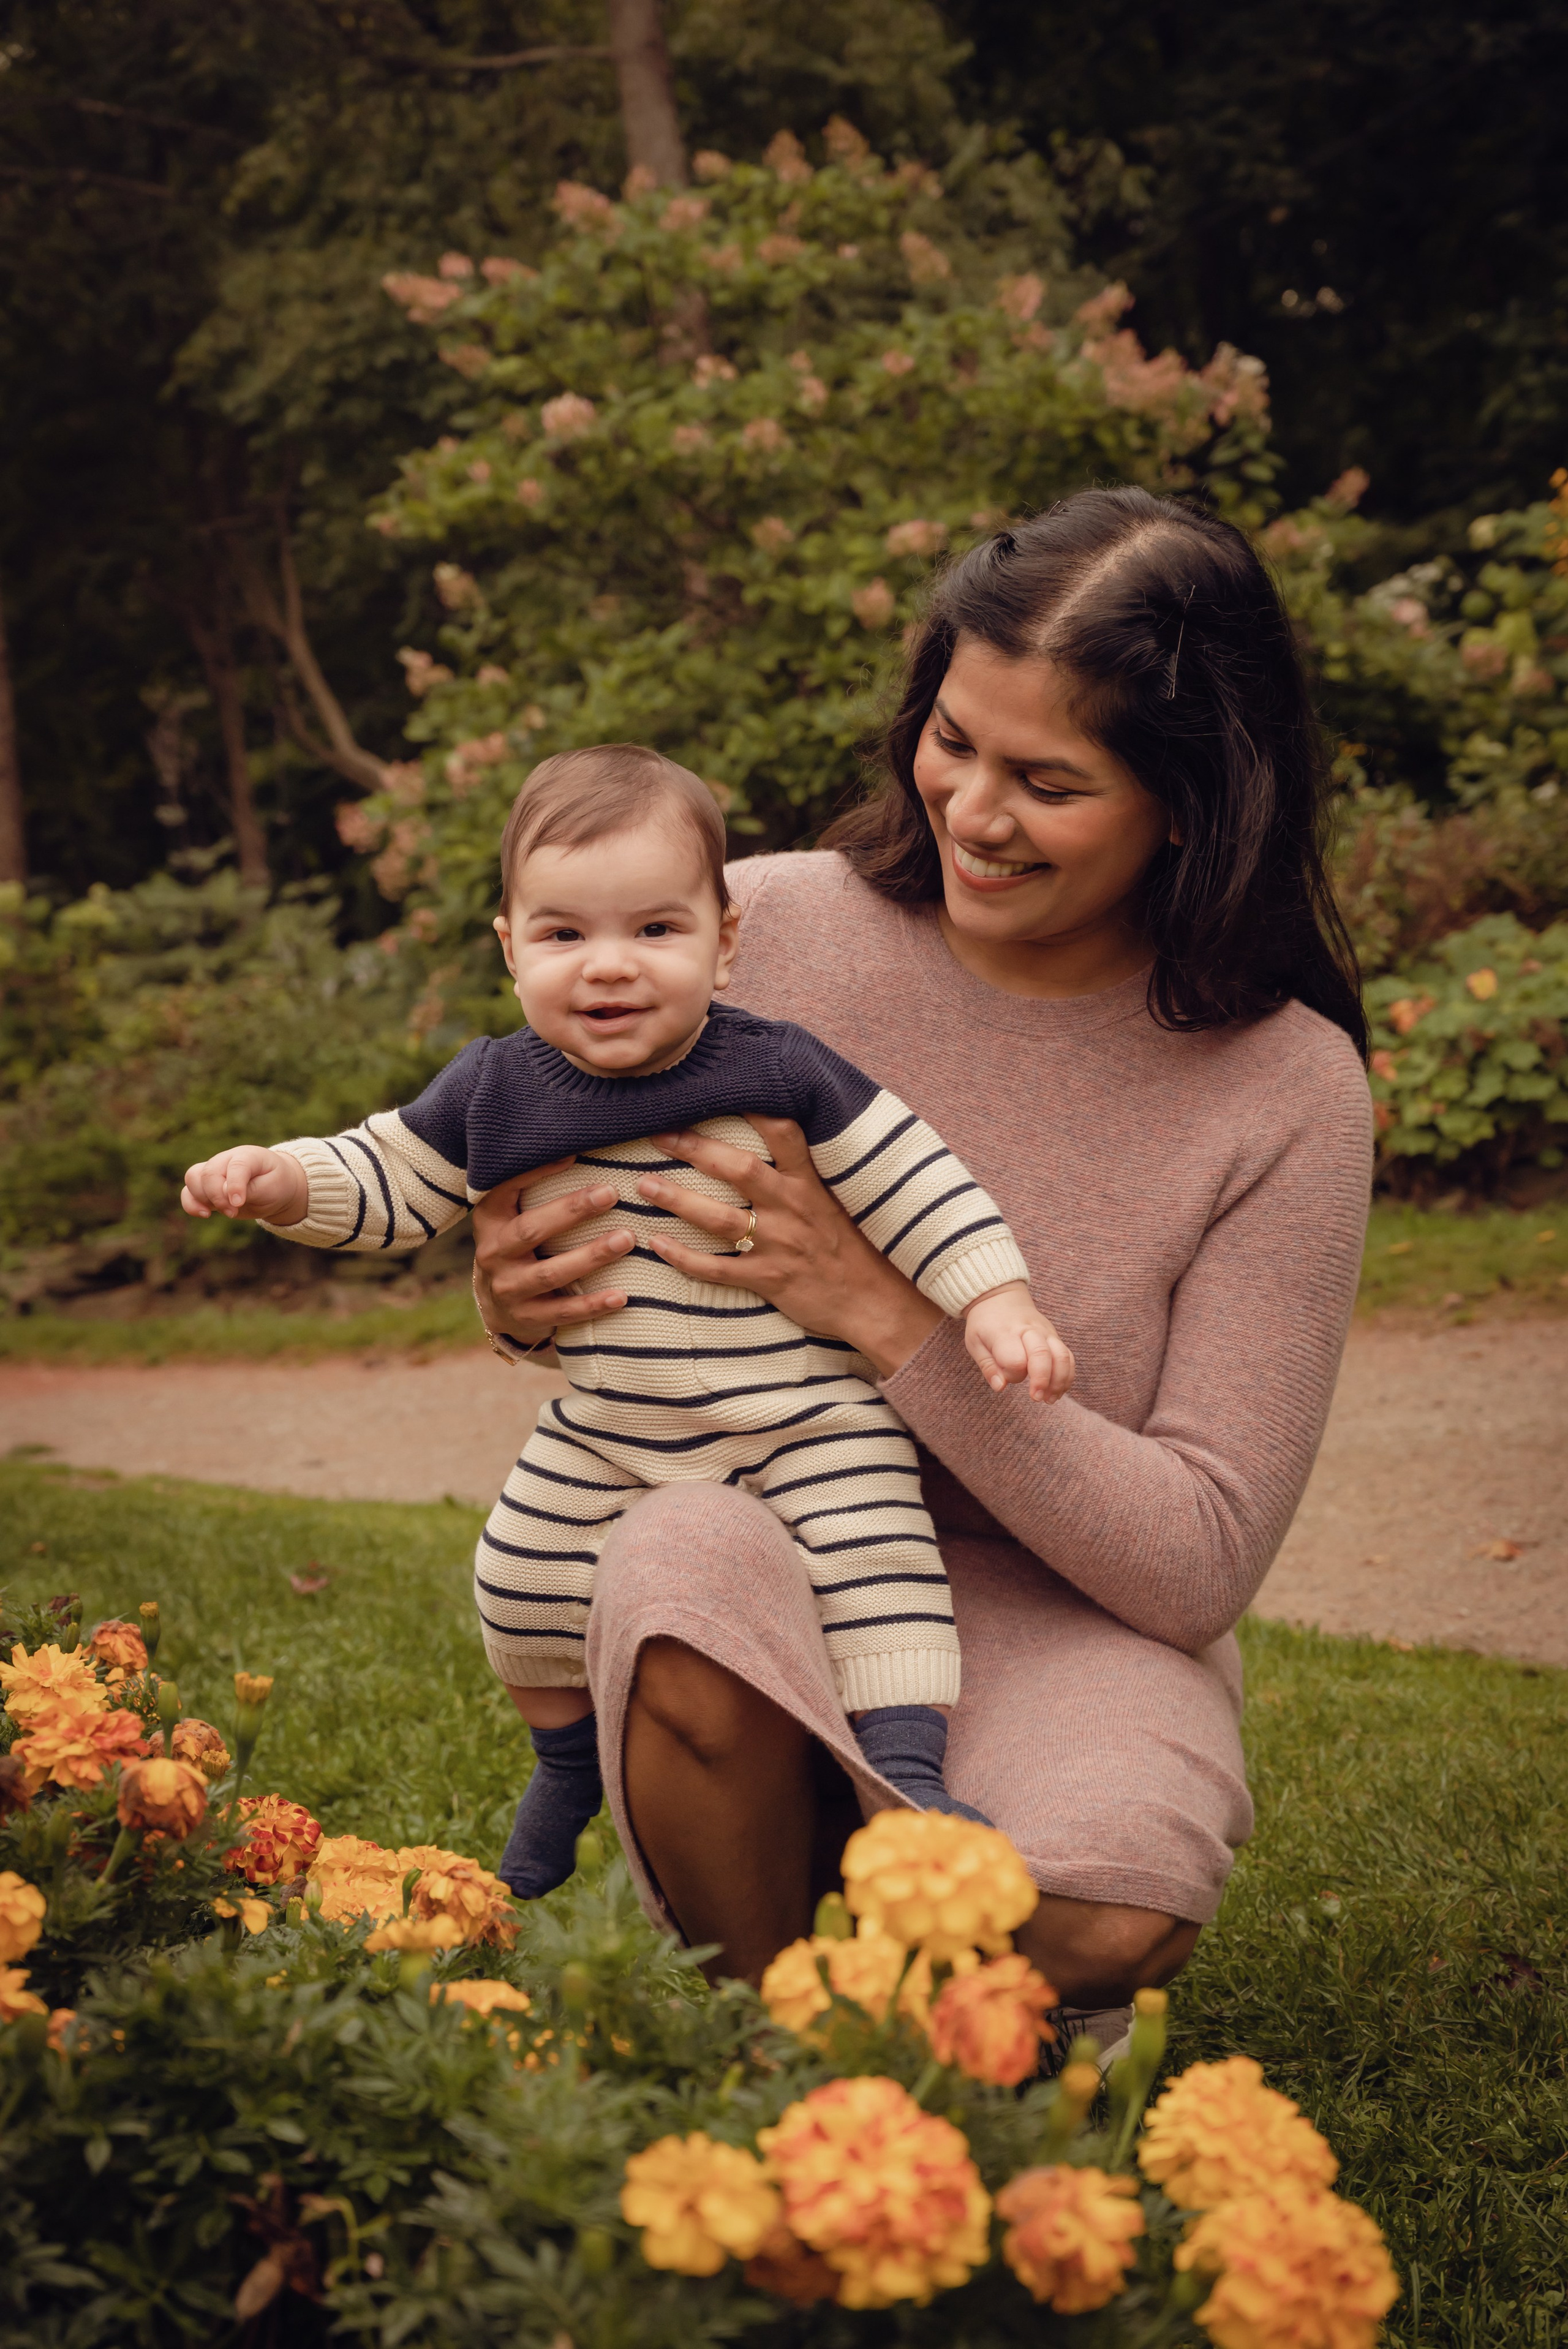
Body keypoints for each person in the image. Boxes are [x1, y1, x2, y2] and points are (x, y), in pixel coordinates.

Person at [469, 485, 1374, 2055]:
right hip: (755, 1552)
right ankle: (780, 2040)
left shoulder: (1281, 1088)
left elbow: (1194, 1560)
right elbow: (545, 1157)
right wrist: (516, 1284)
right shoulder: (766, 925)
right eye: (951, 740)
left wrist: (882, 1310)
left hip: (1059, 1614)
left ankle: (828, 1863)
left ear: (1190, 796)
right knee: (678, 1560)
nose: (968, 808)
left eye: (1047, 780)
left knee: (1106, 1905)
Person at [179, 745, 1075, 1898]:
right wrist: (282, 1183)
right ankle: (564, 1761)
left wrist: (995, 1296)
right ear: (509, 948)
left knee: (879, 1560)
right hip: (609, 1424)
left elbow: (914, 1178)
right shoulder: (496, 1091)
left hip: (807, 1417)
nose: (611, 968)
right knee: (515, 1575)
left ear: (725, 939)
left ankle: (905, 1776)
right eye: (565, 936)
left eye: (656, 931)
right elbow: (389, 1175)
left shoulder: (779, 1067)